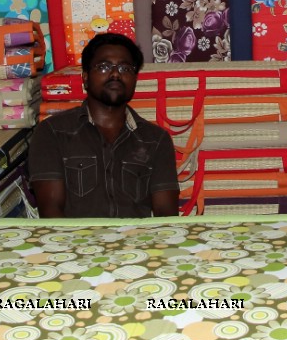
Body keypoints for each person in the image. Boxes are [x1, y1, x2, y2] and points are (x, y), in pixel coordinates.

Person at [29, 33, 180, 218]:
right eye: (103, 67)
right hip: (75, 243)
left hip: (137, 243)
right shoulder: (53, 133)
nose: (115, 74)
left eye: (125, 68)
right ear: (85, 77)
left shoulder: (156, 140)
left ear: (135, 80)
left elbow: (166, 216)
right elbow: (51, 212)